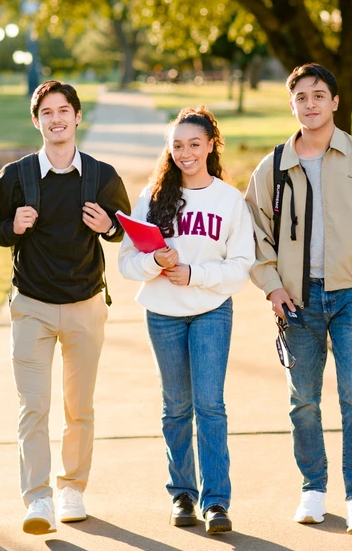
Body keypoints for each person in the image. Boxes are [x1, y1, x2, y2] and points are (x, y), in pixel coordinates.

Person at [244, 63, 352, 533]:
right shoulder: (273, 166)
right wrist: (272, 285)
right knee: (304, 401)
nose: (310, 104)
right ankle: (313, 489)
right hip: (298, 301)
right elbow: (256, 234)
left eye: (319, 95)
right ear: (291, 104)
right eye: (301, 97)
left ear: (335, 101)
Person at [0, 80, 130, 535]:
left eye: (64, 110)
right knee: (34, 406)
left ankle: (72, 489)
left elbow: (124, 231)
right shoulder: (17, 175)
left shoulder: (102, 175)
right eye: (47, 112)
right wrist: (15, 226)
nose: (57, 118)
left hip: (85, 305)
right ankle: (38, 498)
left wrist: (108, 226)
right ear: (37, 120)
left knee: (78, 407)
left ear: (77, 117)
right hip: (32, 307)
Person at [119, 106, 255, 534]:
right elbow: (127, 261)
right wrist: (154, 262)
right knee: (176, 407)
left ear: (211, 144)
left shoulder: (229, 200)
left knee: (210, 405)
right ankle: (182, 494)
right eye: (177, 145)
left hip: (212, 311)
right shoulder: (153, 197)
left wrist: (195, 274)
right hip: (163, 314)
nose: (185, 152)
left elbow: (241, 266)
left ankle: (216, 502)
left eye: (194, 144)